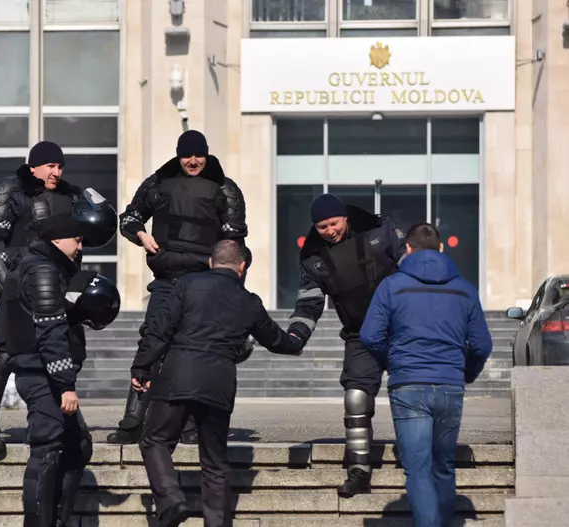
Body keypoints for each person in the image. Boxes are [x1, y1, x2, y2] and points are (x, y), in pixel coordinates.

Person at [131, 240, 304, 527]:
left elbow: (159, 330)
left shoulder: (187, 285)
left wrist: (142, 367)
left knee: (155, 440)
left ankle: (172, 500)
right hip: (219, 382)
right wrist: (295, 343)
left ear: (211, 262)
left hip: (178, 374)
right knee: (214, 460)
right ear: (242, 266)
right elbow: (275, 339)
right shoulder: (249, 301)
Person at [107, 130, 253, 446]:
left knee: (197, 351)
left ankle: (190, 426)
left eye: (198, 155)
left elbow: (235, 247)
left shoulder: (224, 189)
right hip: (166, 281)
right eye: (186, 155)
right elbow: (129, 218)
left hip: (206, 286)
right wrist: (141, 236)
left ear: (207, 154)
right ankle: (133, 422)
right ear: (178, 155)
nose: (192, 161)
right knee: (150, 347)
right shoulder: (158, 183)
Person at [359, 223, 493, 527]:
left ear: (408, 249)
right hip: (449, 385)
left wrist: (393, 361)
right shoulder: (464, 288)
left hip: (408, 386)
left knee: (417, 469)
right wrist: (466, 373)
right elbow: (483, 344)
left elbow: (370, 336)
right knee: (443, 466)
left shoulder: (392, 286)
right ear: (442, 249)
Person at [0, 212, 121, 527]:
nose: (81, 246)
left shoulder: (46, 267)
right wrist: (65, 385)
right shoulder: (42, 271)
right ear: (57, 240)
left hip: (44, 373)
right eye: (77, 239)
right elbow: (51, 332)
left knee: (78, 447)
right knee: (48, 450)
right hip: (42, 376)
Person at [287, 193, 407, 498]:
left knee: (410, 395)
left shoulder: (380, 230)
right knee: (355, 398)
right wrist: (296, 336)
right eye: (322, 226)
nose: (329, 230)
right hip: (359, 333)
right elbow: (308, 304)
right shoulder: (312, 257)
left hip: (402, 328)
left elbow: (415, 268)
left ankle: (417, 459)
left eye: (334, 223)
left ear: (346, 218)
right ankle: (358, 471)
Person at [0, 140, 86, 459]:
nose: (56, 171)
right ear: (34, 166)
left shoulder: (68, 195)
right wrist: (10, 284)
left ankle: (50, 419)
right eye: (50, 165)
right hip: (17, 282)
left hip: (54, 283)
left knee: (56, 346)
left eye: (60, 166)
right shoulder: (9, 189)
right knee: (8, 350)